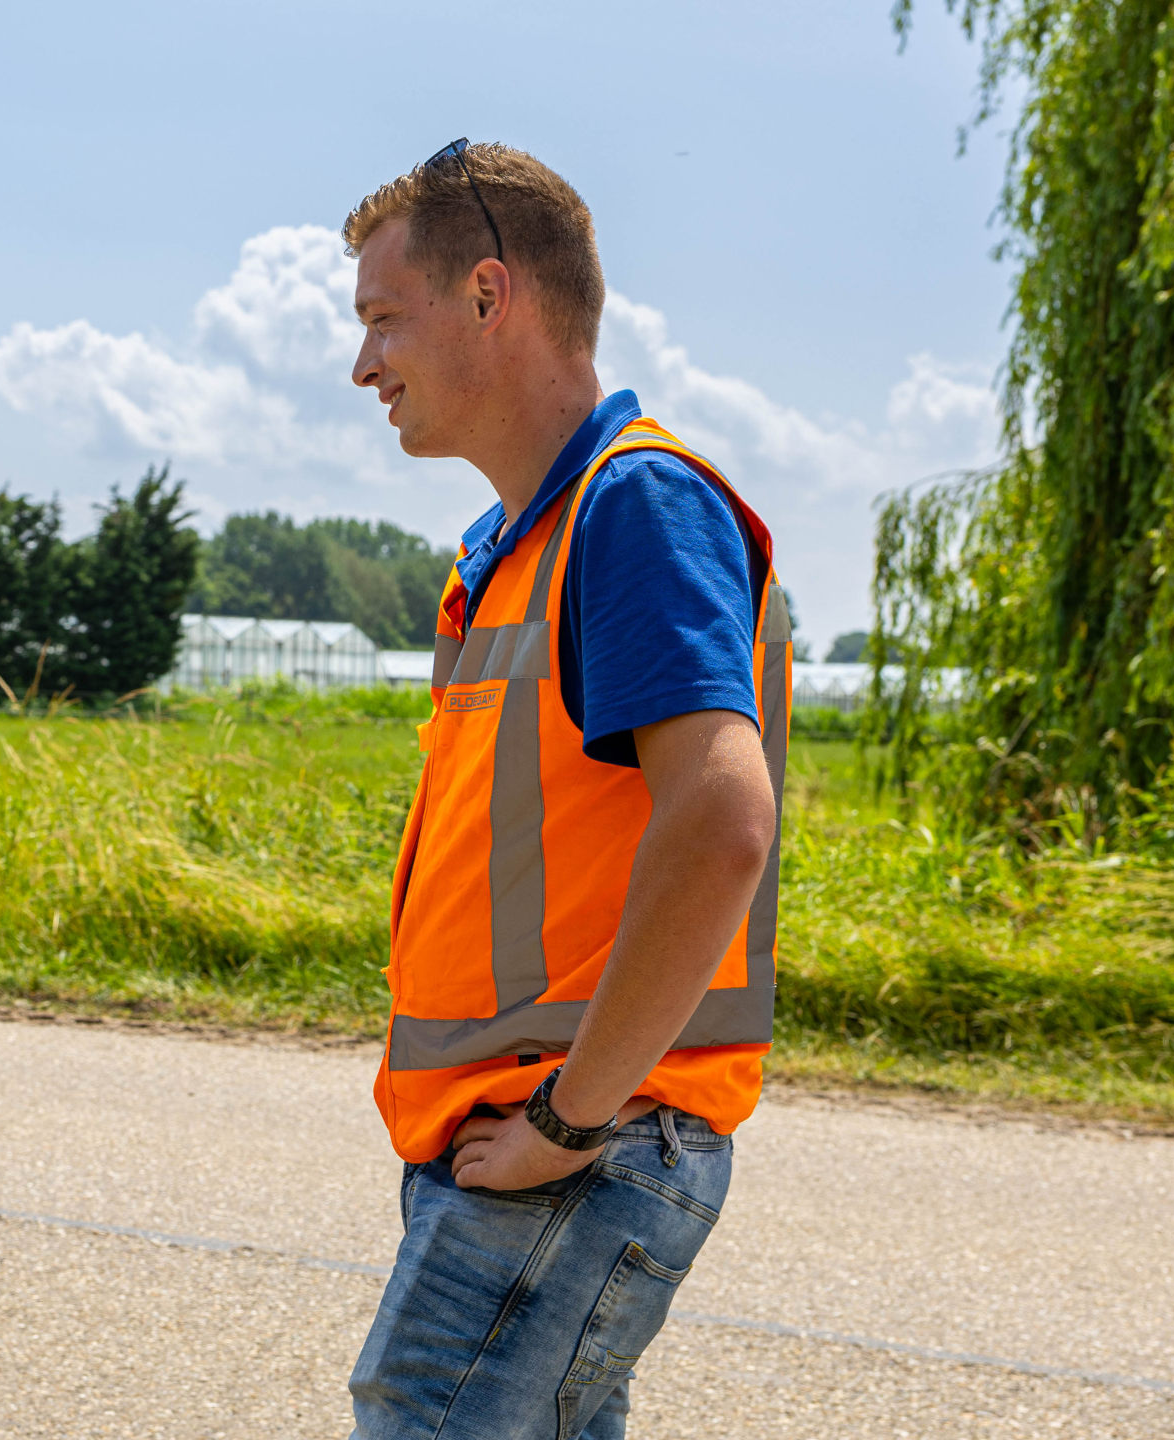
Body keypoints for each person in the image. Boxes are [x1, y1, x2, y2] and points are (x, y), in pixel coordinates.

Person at [340, 144, 789, 1438]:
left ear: (490, 295)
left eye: (384, 318)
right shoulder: (512, 551)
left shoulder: (631, 507)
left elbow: (722, 824)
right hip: (532, 1139)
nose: (364, 364)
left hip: (579, 1143)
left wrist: (568, 1118)